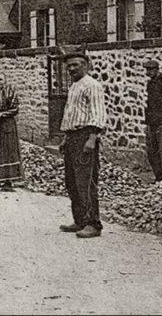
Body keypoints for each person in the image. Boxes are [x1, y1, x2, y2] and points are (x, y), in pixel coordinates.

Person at [57, 51, 106, 239]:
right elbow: (71, 114)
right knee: (72, 181)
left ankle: (93, 223)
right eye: (69, 66)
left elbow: (97, 113)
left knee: (86, 181)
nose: (71, 69)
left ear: (86, 65)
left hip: (85, 136)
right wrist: (65, 137)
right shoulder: (74, 86)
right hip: (72, 137)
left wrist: (92, 138)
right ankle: (79, 220)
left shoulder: (92, 86)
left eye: (75, 65)